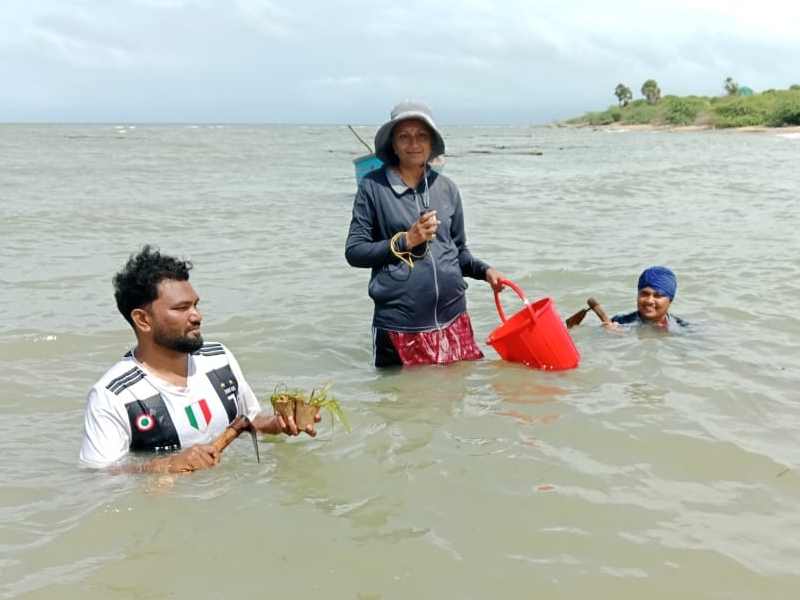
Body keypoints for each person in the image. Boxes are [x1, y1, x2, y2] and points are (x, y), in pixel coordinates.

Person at [79, 245, 319, 473]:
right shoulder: (114, 395)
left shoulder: (219, 358)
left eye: (195, 305)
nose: (197, 316)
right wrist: (165, 465)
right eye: (182, 308)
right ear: (143, 320)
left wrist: (282, 423)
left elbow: (252, 419)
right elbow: (99, 475)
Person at [345, 99, 504, 367]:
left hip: (454, 319)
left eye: (421, 136)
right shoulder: (373, 187)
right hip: (399, 327)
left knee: (453, 403)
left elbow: (458, 252)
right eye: (404, 136)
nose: (414, 144)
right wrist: (406, 240)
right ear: (393, 144)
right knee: (404, 406)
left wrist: (485, 271)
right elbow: (355, 251)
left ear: (431, 143)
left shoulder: (447, 188)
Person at [605, 265, 688, 329]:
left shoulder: (682, 328)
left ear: (670, 301)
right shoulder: (619, 323)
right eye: (644, 294)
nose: (649, 301)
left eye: (657, 296)